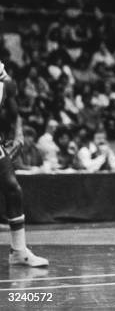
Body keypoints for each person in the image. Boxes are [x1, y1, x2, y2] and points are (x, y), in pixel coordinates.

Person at [0, 63, 48, 266]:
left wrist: (18, 135)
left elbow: (14, 111)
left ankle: (18, 251)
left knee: (12, 188)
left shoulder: (5, 80)